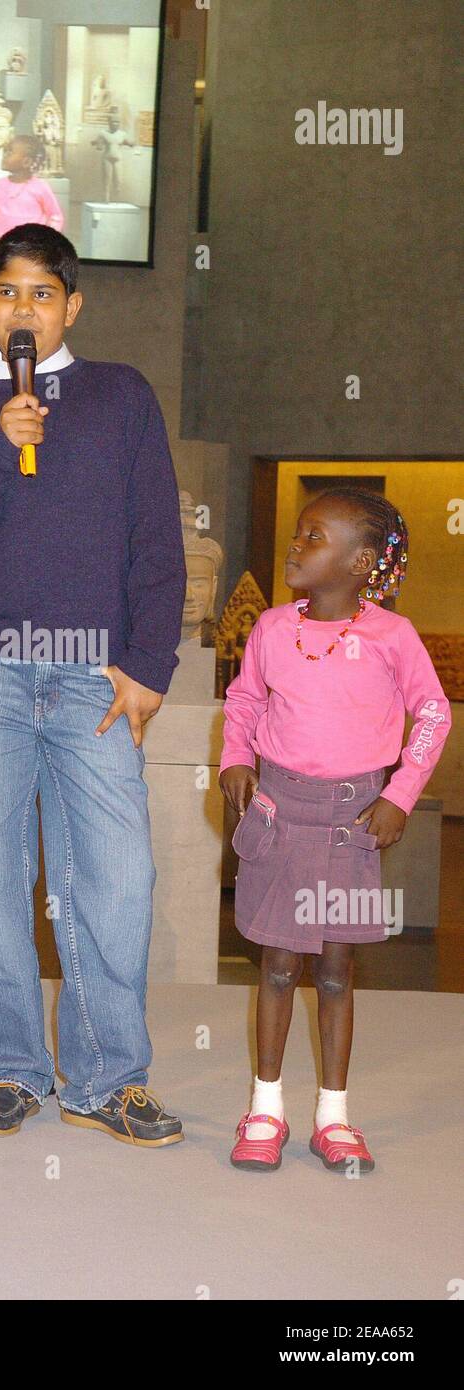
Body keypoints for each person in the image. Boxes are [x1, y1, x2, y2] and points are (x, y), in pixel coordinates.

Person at [0, 224, 187, 1145]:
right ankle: (10, 1068)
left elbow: (157, 543)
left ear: (72, 306)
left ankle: (108, 1077)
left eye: (44, 294)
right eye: (9, 292)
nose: (25, 309)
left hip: (92, 673)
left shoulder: (121, 398)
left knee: (117, 877)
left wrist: (148, 667)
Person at [219, 488, 451, 1173]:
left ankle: (333, 1115)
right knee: (279, 966)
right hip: (281, 817)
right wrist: (236, 758)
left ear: (358, 562)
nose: (295, 545)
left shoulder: (392, 637)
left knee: (337, 972)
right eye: (296, 533)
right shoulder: (270, 629)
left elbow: (433, 715)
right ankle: (265, 1108)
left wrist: (401, 794)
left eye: (313, 536)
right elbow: (244, 699)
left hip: (353, 824)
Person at [0, 135, 64, 250]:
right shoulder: (0, 184)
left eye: (10, 152)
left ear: (26, 161)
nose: (4, 156)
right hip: (1, 244)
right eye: (5, 151)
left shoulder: (39, 187)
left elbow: (55, 215)